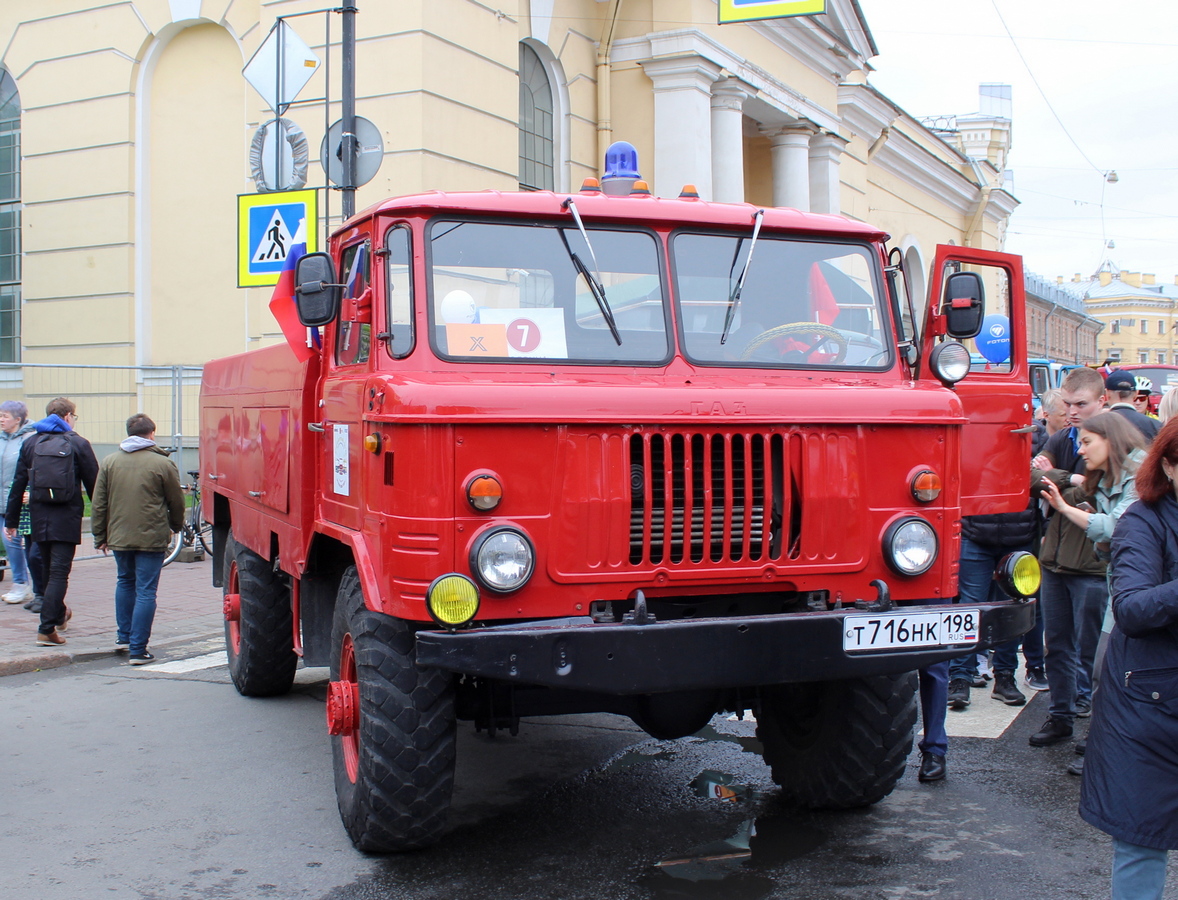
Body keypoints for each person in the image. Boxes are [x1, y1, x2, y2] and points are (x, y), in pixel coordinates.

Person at [1079, 417, 1178, 900]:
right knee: (1141, 840)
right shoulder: (1144, 519)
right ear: (1170, 467)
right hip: (1147, 703)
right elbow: (1133, 609)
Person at [1029, 366, 1110, 744]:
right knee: (1057, 646)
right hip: (1055, 560)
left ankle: (1095, 732)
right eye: (1067, 404)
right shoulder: (1062, 436)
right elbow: (1032, 479)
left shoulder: (1116, 437)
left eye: (1081, 404)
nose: (1072, 411)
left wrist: (1059, 482)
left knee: (1093, 653)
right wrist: (1074, 478)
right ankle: (1060, 716)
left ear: (1102, 401)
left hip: (1092, 565)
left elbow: (1101, 492)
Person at [3, 397, 98, 647]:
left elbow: (18, 484)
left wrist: (11, 520)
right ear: (67, 416)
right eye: (73, 416)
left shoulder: (31, 443)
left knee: (47, 571)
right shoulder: (78, 443)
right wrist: (103, 523)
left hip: (39, 517)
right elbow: (95, 488)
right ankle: (46, 629)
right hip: (66, 517)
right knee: (58, 574)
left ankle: (59, 614)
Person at [91, 414, 184, 665]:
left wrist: (100, 535)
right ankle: (138, 649)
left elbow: (98, 503)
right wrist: (176, 526)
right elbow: (176, 501)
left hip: (118, 534)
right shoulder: (163, 463)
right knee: (146, 591)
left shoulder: (110, 462)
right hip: (151, 536)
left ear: (129, 433)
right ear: (152, 434)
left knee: (124, 581)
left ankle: (124, 636)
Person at [0, 400, 35, 605]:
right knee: (8, 542)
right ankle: (24, 584)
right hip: (1, 500)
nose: (1, 420)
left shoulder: (29, 439)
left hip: (20, 501)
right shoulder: (1, 439)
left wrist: (31, 492)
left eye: (5, 416)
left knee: (13, 541)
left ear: (18, 419)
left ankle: (23, 584)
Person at [1104, 370, 1160, 442]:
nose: (1138, 402)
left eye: (1142, 398)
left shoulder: (1097, 424)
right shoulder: (1155, 425)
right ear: (1136, 393)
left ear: (1107, 393)